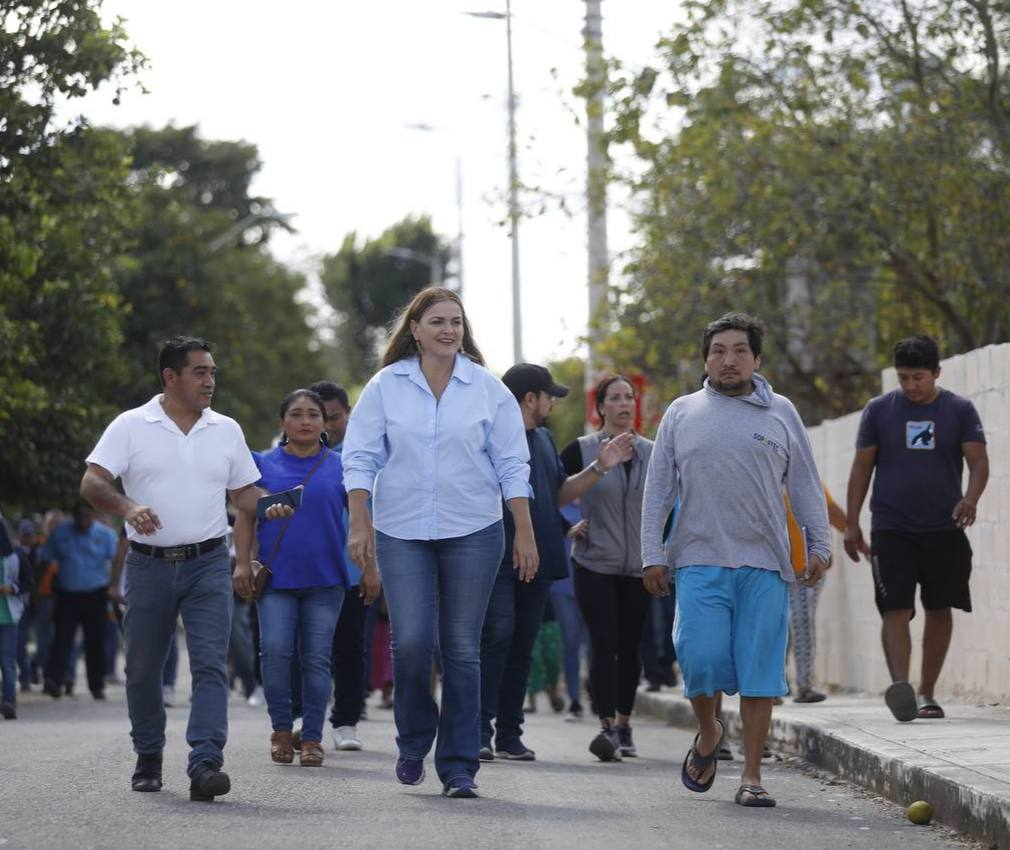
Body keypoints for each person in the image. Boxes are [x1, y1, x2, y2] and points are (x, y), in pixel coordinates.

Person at [342, 286, 536, 799]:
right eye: (437, 321)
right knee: (410, 645)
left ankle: (458, 765)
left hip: (474, 528)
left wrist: (525, 531)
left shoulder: (487, 389)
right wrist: (359, 522)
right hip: (401, 530)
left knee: (462, 651)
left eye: (456, 321)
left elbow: (513, 463)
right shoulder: (386, 385)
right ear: (415, 330)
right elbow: (360, 456)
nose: (449, 329)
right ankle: (412, 740)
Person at [80, 335, 281, 802]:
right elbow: (92, 481)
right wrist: (128, 508)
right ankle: (148, 754)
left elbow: (244, 495)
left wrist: (271, 506)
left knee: (211, 663)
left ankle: (205, 761)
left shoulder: (226, 429)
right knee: (143, 668)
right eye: (200, 372)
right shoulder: (131, 426)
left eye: (212, 372)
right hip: (148, 566)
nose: (210, 380)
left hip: (209, 562)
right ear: (170, 377)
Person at [641, 313, 830, 808]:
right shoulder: (682, 413)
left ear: (756, 358)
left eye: (739, 351)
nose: (729, 359)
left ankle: (752, 776)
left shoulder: (781, 412)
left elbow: (806, 483)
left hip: (767, 564)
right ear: (706, 359)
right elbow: (658, 489)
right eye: (719, 350)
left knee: (760, 672)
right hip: (699, 559)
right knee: (699, 660)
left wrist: (819, 545)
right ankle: (709, 731)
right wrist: (651, 555)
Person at [480, 363, 634, 763]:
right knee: (494, 641)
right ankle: (478, 730)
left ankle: (509, 736)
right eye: (549, 395)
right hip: (498, 560)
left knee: (522, 648)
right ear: (530, 399)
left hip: (542, 562)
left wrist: (601, 466)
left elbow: (559, 494)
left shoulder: (546, 440)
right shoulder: (491, 438)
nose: (552, 402)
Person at [844, 335, 988, 722]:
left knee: (939, 608)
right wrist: (852, 522)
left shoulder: (959, 410)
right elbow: (861, 467)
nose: (910, 386)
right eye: (903, 378)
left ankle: (927, 691)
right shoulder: (878, 411)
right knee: (896, 607)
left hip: (944, 527)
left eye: (918, 377)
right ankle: (901, 688)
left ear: (936, 373)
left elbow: (978, 462)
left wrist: (970, 499)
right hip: (892, 527)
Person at [234, 388, 376, 767]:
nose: (305, 421)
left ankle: (312, 737)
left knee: (316, 659)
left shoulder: (342, 466)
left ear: (324, 423)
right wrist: (242, 563)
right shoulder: (261, 463)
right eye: (296, 414)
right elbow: (245, 514)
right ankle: (282, 729)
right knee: (277, 652)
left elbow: (363, 519)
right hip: (276, 579)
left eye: (313, 414)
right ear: (283, 422)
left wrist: (371, 568)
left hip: (327, 580)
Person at [560, 375, 652, 761]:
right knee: (604, 642)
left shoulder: (654, 451)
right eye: (614, 398)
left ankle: (625, 723)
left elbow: (671, 501)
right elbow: (554, 493)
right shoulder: (580, 449)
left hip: (640, 566)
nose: (623, 404)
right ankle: (606, 727)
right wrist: (569, 526)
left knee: (631, 647)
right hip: (594, 561)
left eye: (629, 397)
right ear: (600, 408)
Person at [308, 380, 368, 752]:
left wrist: (375, 567)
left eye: (335, 417)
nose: (328, 426)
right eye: (321, 418)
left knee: (351, 647)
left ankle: (346, 721)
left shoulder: (365, 454)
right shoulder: (298, 455)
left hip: (354, 568)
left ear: (348, 414)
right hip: (310, 569)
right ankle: (303, 718)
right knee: (309, 649)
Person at [40, 502, 118, 701]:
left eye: (87, 516)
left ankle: (96, 685)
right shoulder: (61, 533)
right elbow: (46, 559)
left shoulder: (106, 535)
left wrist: (115, 587)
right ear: (73, 517)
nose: (83, 520)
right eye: (79, 516)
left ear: (93, 516)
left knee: (95, 642)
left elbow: (118, 561)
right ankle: (54, 681)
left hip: (96, 595)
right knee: (61, 640)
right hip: (67, 595)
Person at [786, 485, 852, 703]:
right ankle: (773, 685)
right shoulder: (764, 475)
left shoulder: (808, 480)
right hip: (773, 568)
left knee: (801, 622)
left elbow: (831, 511)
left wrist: (855, 538)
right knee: (776, 625)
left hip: (808, 568)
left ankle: (804, 685)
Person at [0, 514, 24, 719]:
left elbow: (28, 582)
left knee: (7, 662)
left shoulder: (13, 556)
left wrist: (13, 588)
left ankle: (9, 702)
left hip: (8, 617)